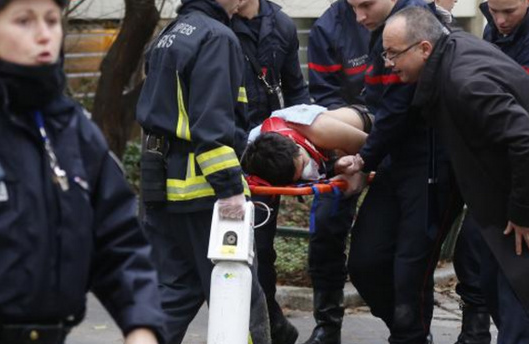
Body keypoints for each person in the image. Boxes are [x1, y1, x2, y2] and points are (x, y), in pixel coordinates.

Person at [0, 0, 162, 343]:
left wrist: (142, 326)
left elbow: (119, 242)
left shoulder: (72, 129)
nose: (44, 34)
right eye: (24, 21)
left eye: (52, 19)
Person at [379, 7, 529, 343]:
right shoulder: (453, 48)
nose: (387, 62)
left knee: (520, 298)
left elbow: (528, 141)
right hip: (528, 177)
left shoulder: (462, 82)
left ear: (424, 48)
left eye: (394, 53)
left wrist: (524, 214)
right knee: (486, 266)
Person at [136, 0, 271, 343]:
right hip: (205, 196)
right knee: (239, 298)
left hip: (163, 187)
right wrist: (229, 190)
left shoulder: (169, 34)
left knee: (174, 293)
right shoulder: (217, 37)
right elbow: (211, 125)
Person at [450, 2, 529, 342]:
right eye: (494, 10)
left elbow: (520, 128)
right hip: (506, 162)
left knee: (523, 270)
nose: (500, 20)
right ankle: (475, 330)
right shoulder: (496, 27)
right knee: (473, 247)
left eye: (509, 11)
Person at [337, 0, 464, 343]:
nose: (359, 17)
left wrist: (364, 159)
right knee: (365, 263)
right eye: (353, 8)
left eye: (366, 6)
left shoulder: (414, 27)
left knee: (410, 270)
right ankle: (408, 333)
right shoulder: (383, 29)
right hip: (394, 162)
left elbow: (397, 109)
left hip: (431, 168)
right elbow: (379, 102)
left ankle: (410, 335)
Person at [231, 1, 310, 342]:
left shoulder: (281, 25)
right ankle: (270, 327)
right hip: (228, 156)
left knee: (262, 250)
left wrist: (299, 147)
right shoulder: (217, 22)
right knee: (236, 251)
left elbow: (295, 90)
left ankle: (270, 327)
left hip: (267, 157)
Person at [304, 3, 370, 342]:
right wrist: (353, 154)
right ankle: (327, 325)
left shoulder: (409, 12)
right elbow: (326, 102)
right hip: (346, 142)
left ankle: (409, 329)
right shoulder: (328, 28)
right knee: (326, 228)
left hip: (403, 141)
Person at [242, 106, 371, 185]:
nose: (307, 172)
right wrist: (336, 168)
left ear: (294, 142)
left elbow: (375, 148)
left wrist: (361, 176)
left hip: (369, 127)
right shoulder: (253, 156)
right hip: (334, 157)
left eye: (304, 164)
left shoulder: (320, 129)